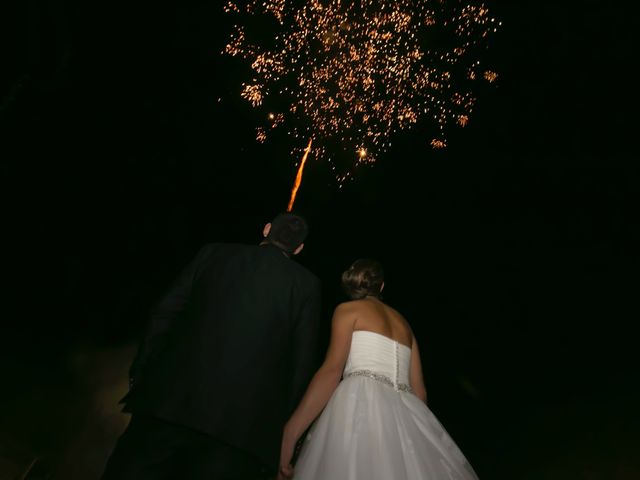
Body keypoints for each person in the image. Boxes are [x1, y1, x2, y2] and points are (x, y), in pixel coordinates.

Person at [101, 212, 322, 480]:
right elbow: (301, 365)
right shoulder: (307, 286)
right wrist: (276, 428)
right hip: (238, 433)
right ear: (299, 249)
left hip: (169, 406)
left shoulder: (213, 254)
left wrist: (144, 374)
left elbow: (163, 314)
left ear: (266, 230)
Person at [277, 259, 479, 480]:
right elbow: (420, 392)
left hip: (358, 406)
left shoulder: (347, 311)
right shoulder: (404, 324)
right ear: (381, 286)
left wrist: (291, 433)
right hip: (406, 410)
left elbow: (330, 372)